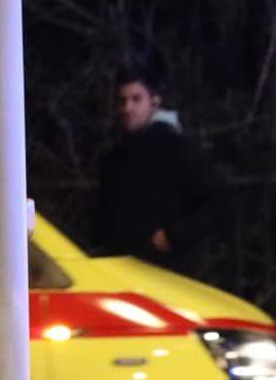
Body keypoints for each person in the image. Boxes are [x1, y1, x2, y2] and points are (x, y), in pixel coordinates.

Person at [90, 65, 227, 272]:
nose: (127, 108)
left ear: (154, 101)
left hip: (168, 272)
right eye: (123, 100)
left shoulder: (175, 147)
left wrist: (173, 236)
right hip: (125, 271)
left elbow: (216, 200)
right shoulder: (116, 157)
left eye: (136, 99)